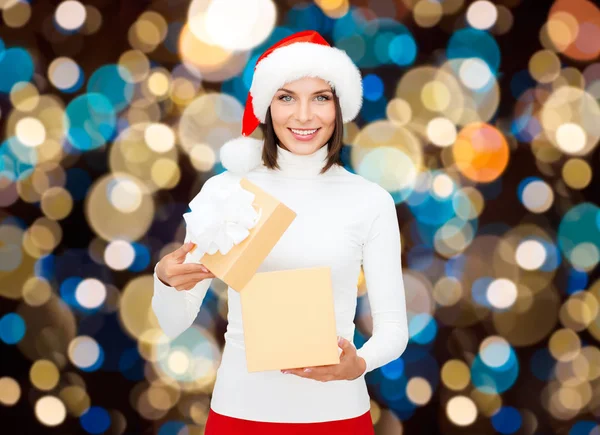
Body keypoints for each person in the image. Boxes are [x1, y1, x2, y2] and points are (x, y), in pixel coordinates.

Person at [152, 30, 409, 434]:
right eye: (286, 97)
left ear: (340, 106)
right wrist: (167, 283)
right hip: (239, 416)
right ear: (266, 106)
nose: (303, 116)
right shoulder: (228, 191)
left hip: (337, 417)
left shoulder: (369, 200)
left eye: (320, 98)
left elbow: (393, 329)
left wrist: (358, 362)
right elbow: (172, 324)